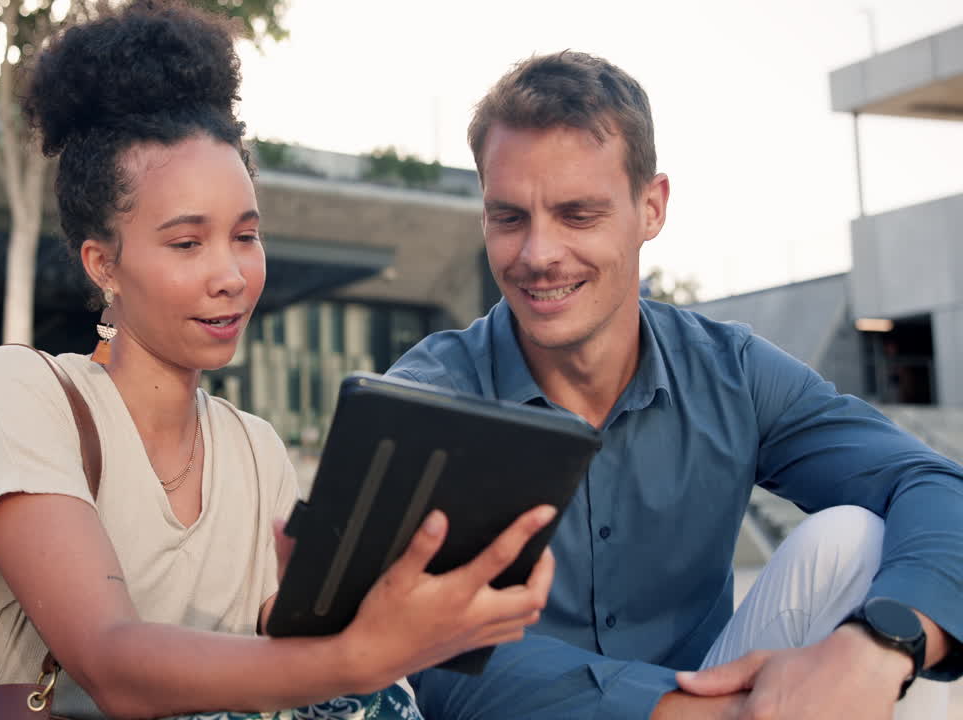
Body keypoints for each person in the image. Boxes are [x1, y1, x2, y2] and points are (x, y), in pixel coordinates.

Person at [0, 2, 557, 718]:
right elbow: (111, 663)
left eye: (246, 237)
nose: (231, 275)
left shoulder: (254, 448)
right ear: (103, 262)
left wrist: (361, 613)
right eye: (187, 243)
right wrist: (354, 656)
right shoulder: (22, 392)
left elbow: (271, 657)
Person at [388, 51, 963, 720]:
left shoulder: (731, 373)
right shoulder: (430, 394)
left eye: (578, 215)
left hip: (727, 694)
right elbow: (428, 654)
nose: (538, 255)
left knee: (856, 541)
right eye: (509, 217)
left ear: (651, 208)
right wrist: (704, 714)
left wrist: (878, 647)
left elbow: (930, 485)